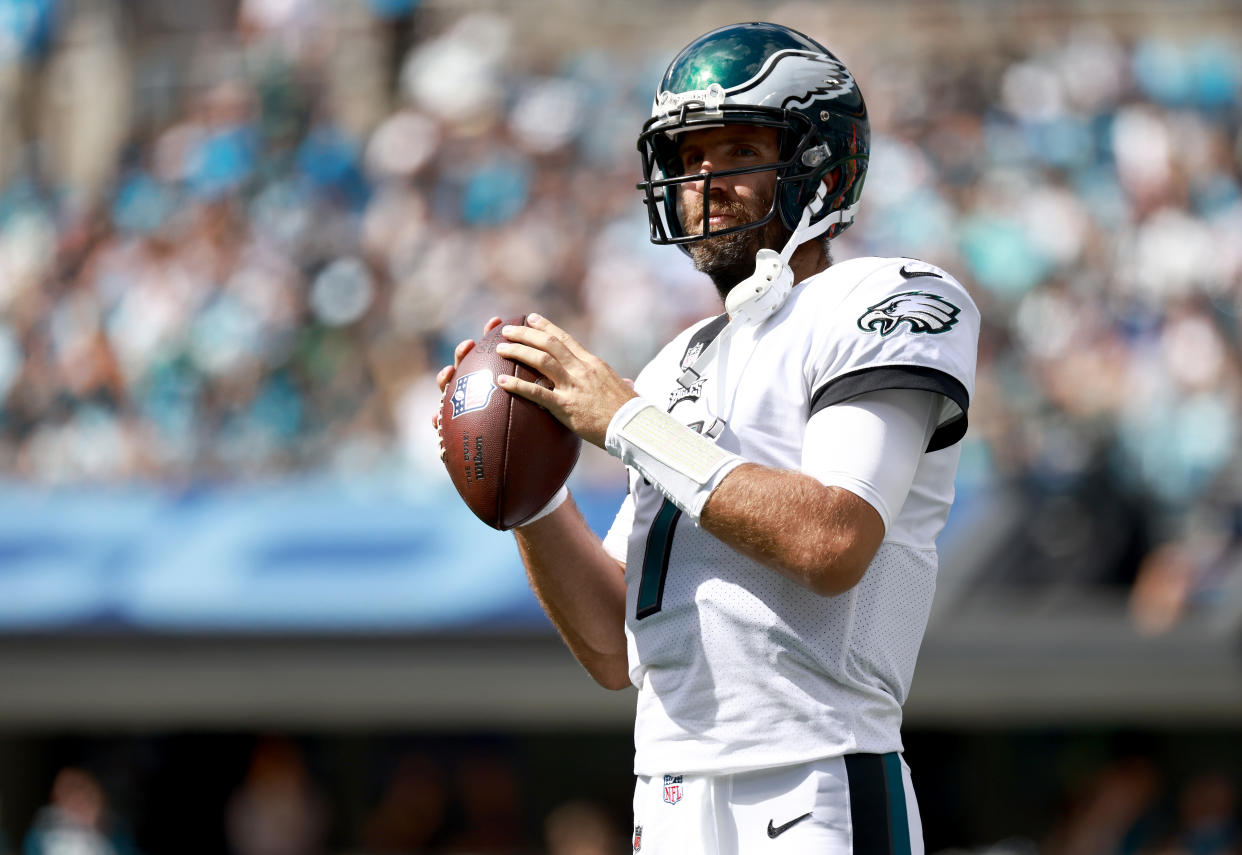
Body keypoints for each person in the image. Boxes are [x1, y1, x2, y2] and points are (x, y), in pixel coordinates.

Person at [434, 21, 979, 854]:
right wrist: (531, 495)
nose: (703, 179)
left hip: (816, 778)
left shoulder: (887, 297)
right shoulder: (672, 363)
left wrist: (624, 421)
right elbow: (616, 645)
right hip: (667, 794)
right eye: (687, 159)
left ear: (820, 163)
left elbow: (831, 538)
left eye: (735, 150)